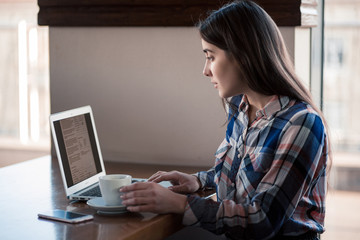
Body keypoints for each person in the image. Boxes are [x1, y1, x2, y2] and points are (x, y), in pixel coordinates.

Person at [120, 1, 330, 239]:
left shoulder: (301, 124)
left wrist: (179, 204)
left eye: (210, 57)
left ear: (242, 56)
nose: (205, 70)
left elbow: (263, 220)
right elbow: (244, 176)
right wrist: (198, 181)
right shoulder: (241, 108)